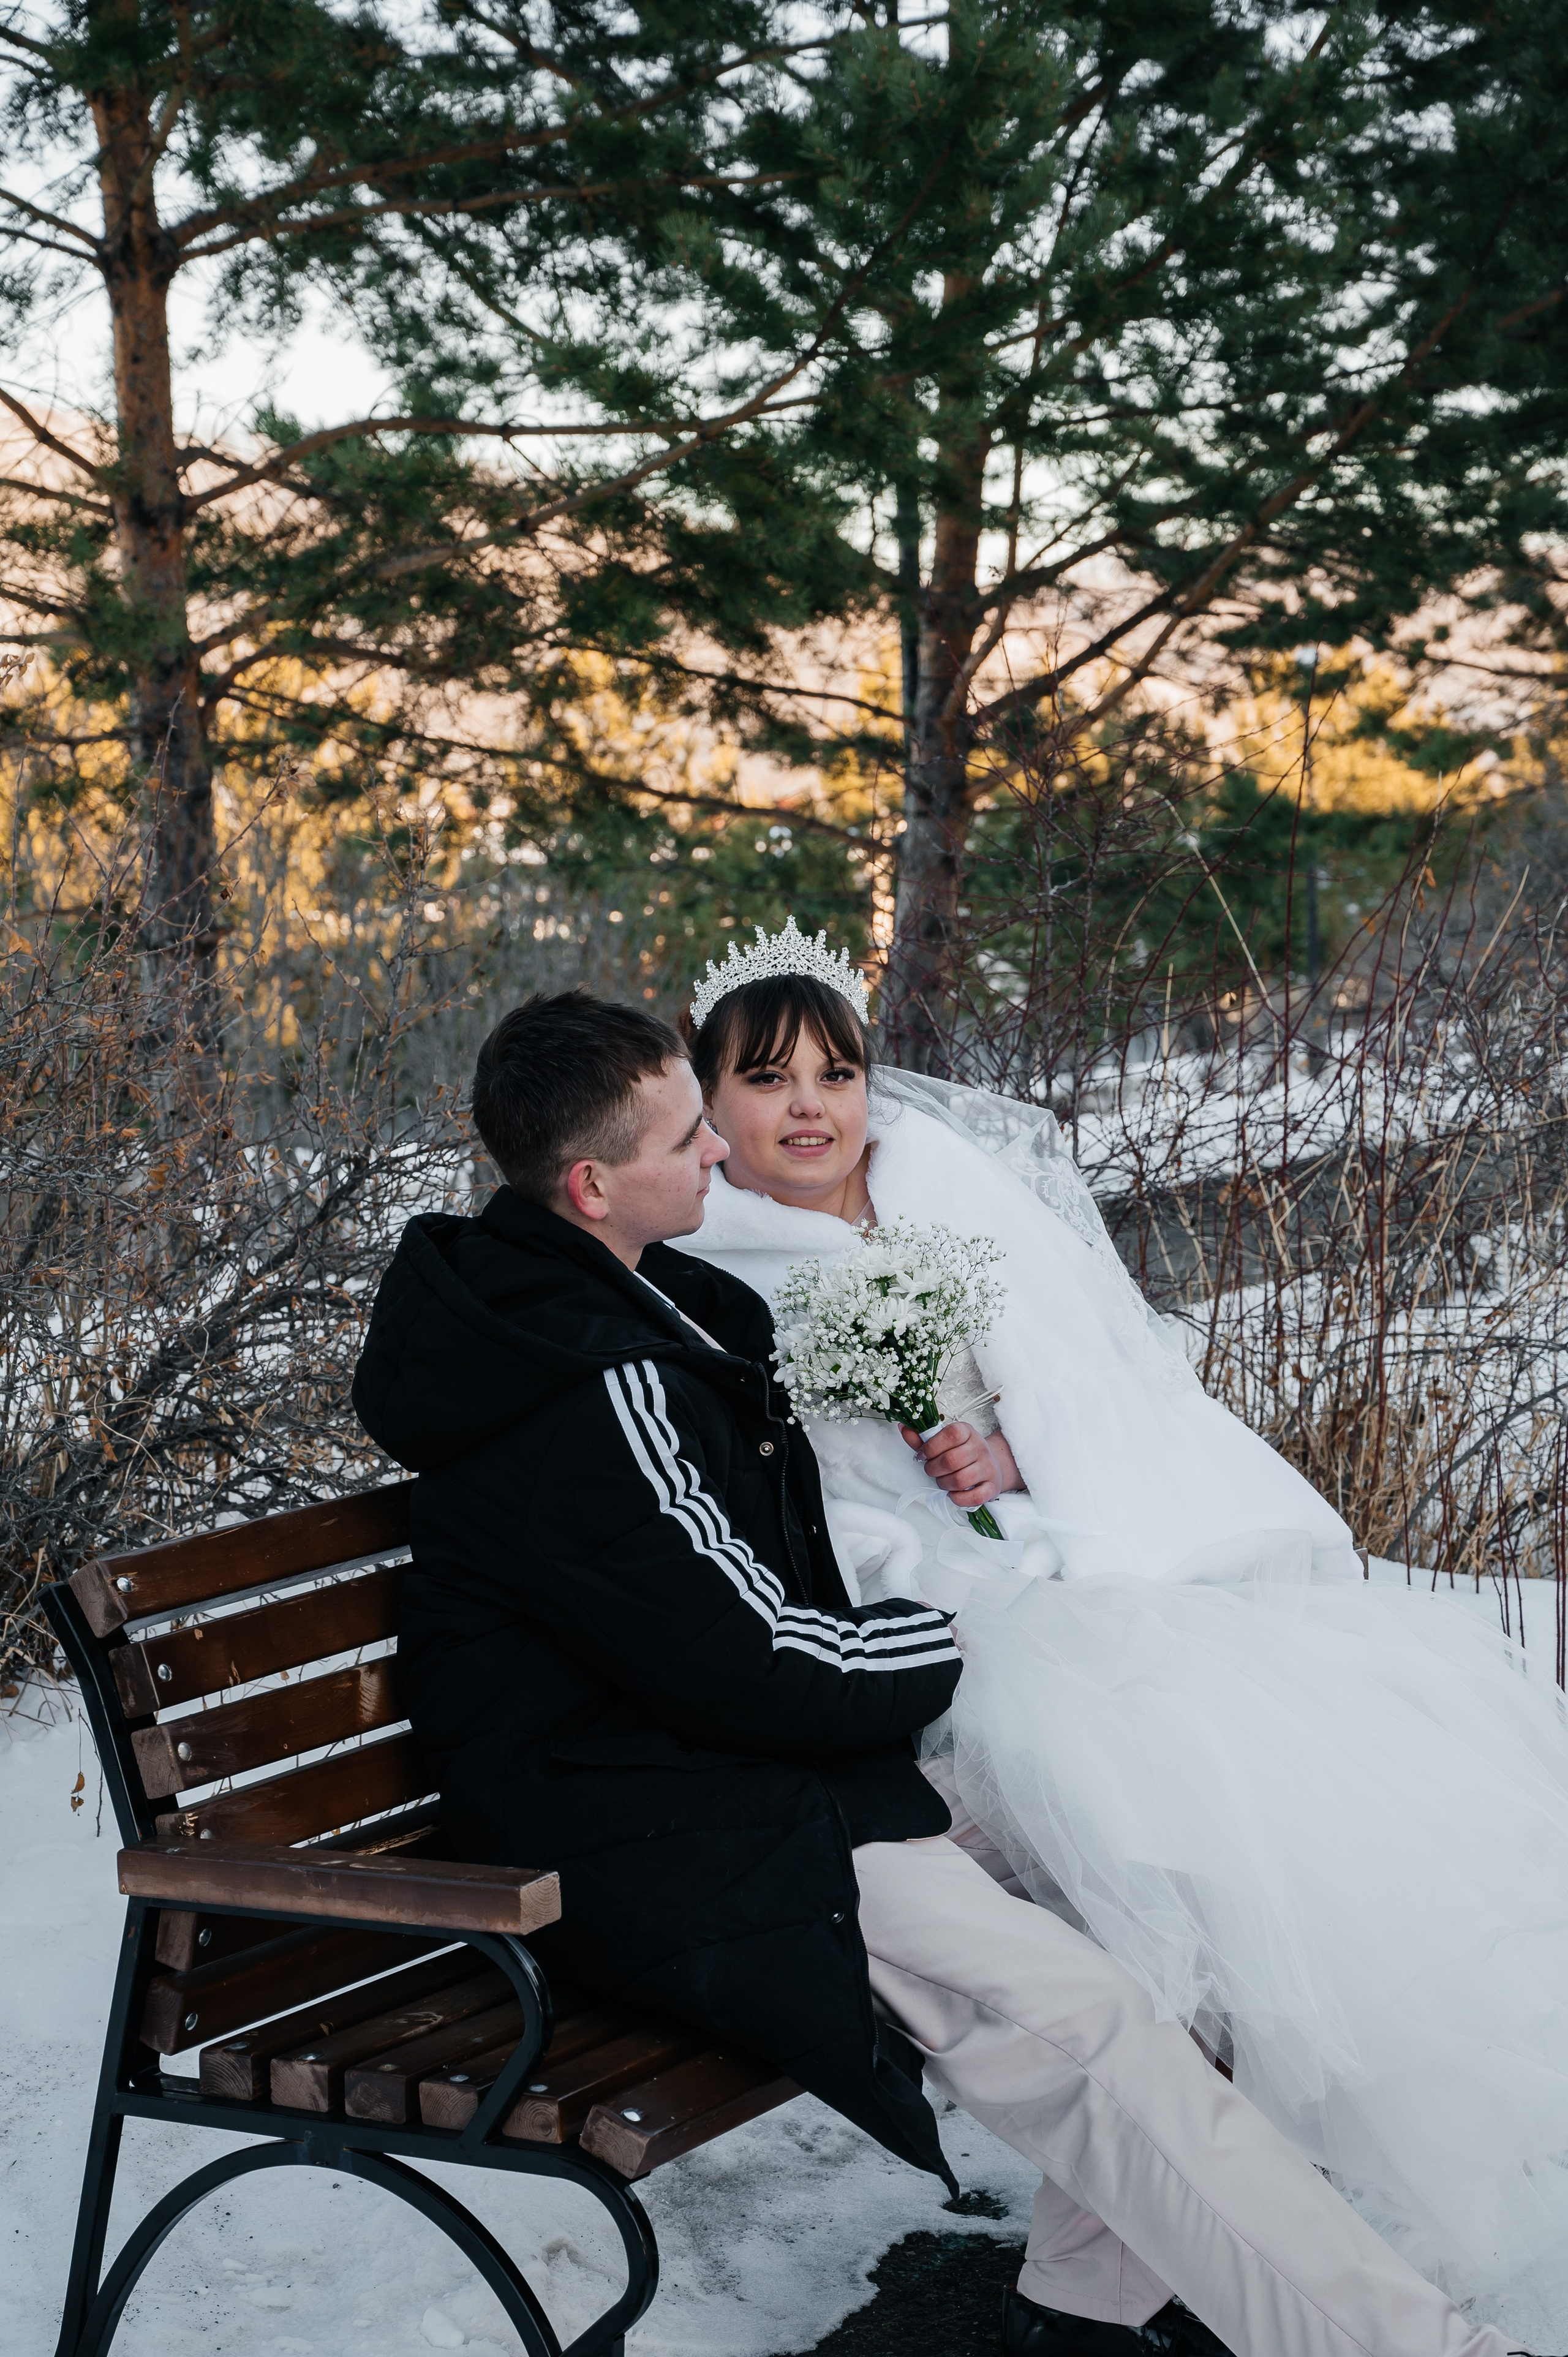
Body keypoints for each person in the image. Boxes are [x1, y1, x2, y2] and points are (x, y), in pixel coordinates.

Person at [354, 986, 1504, 2357]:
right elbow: (757, 1661)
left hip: (741, 1772)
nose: (719, 1152)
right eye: (686, 1136)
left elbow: (742, 1632)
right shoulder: (591, 1380)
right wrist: (969, 1639)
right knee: (1080, 2015)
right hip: (653, 1830)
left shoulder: (643, 1303)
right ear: (595, 1184)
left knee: (1175, 1873)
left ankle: (1088, 2309)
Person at [669, 918, 1568, 2326]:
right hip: (904, 1599)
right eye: (767, 1079)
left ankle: (1097, 2288)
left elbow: (1099, 1367)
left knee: (1243, 1818)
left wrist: (1016, 1450)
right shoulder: (703, 1259)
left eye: (833, 1074)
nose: (807, 1108)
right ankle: (1103, 2288)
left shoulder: (936, 1186)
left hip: (1049, 1551)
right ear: (705, 1102)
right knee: (1157, 1850)